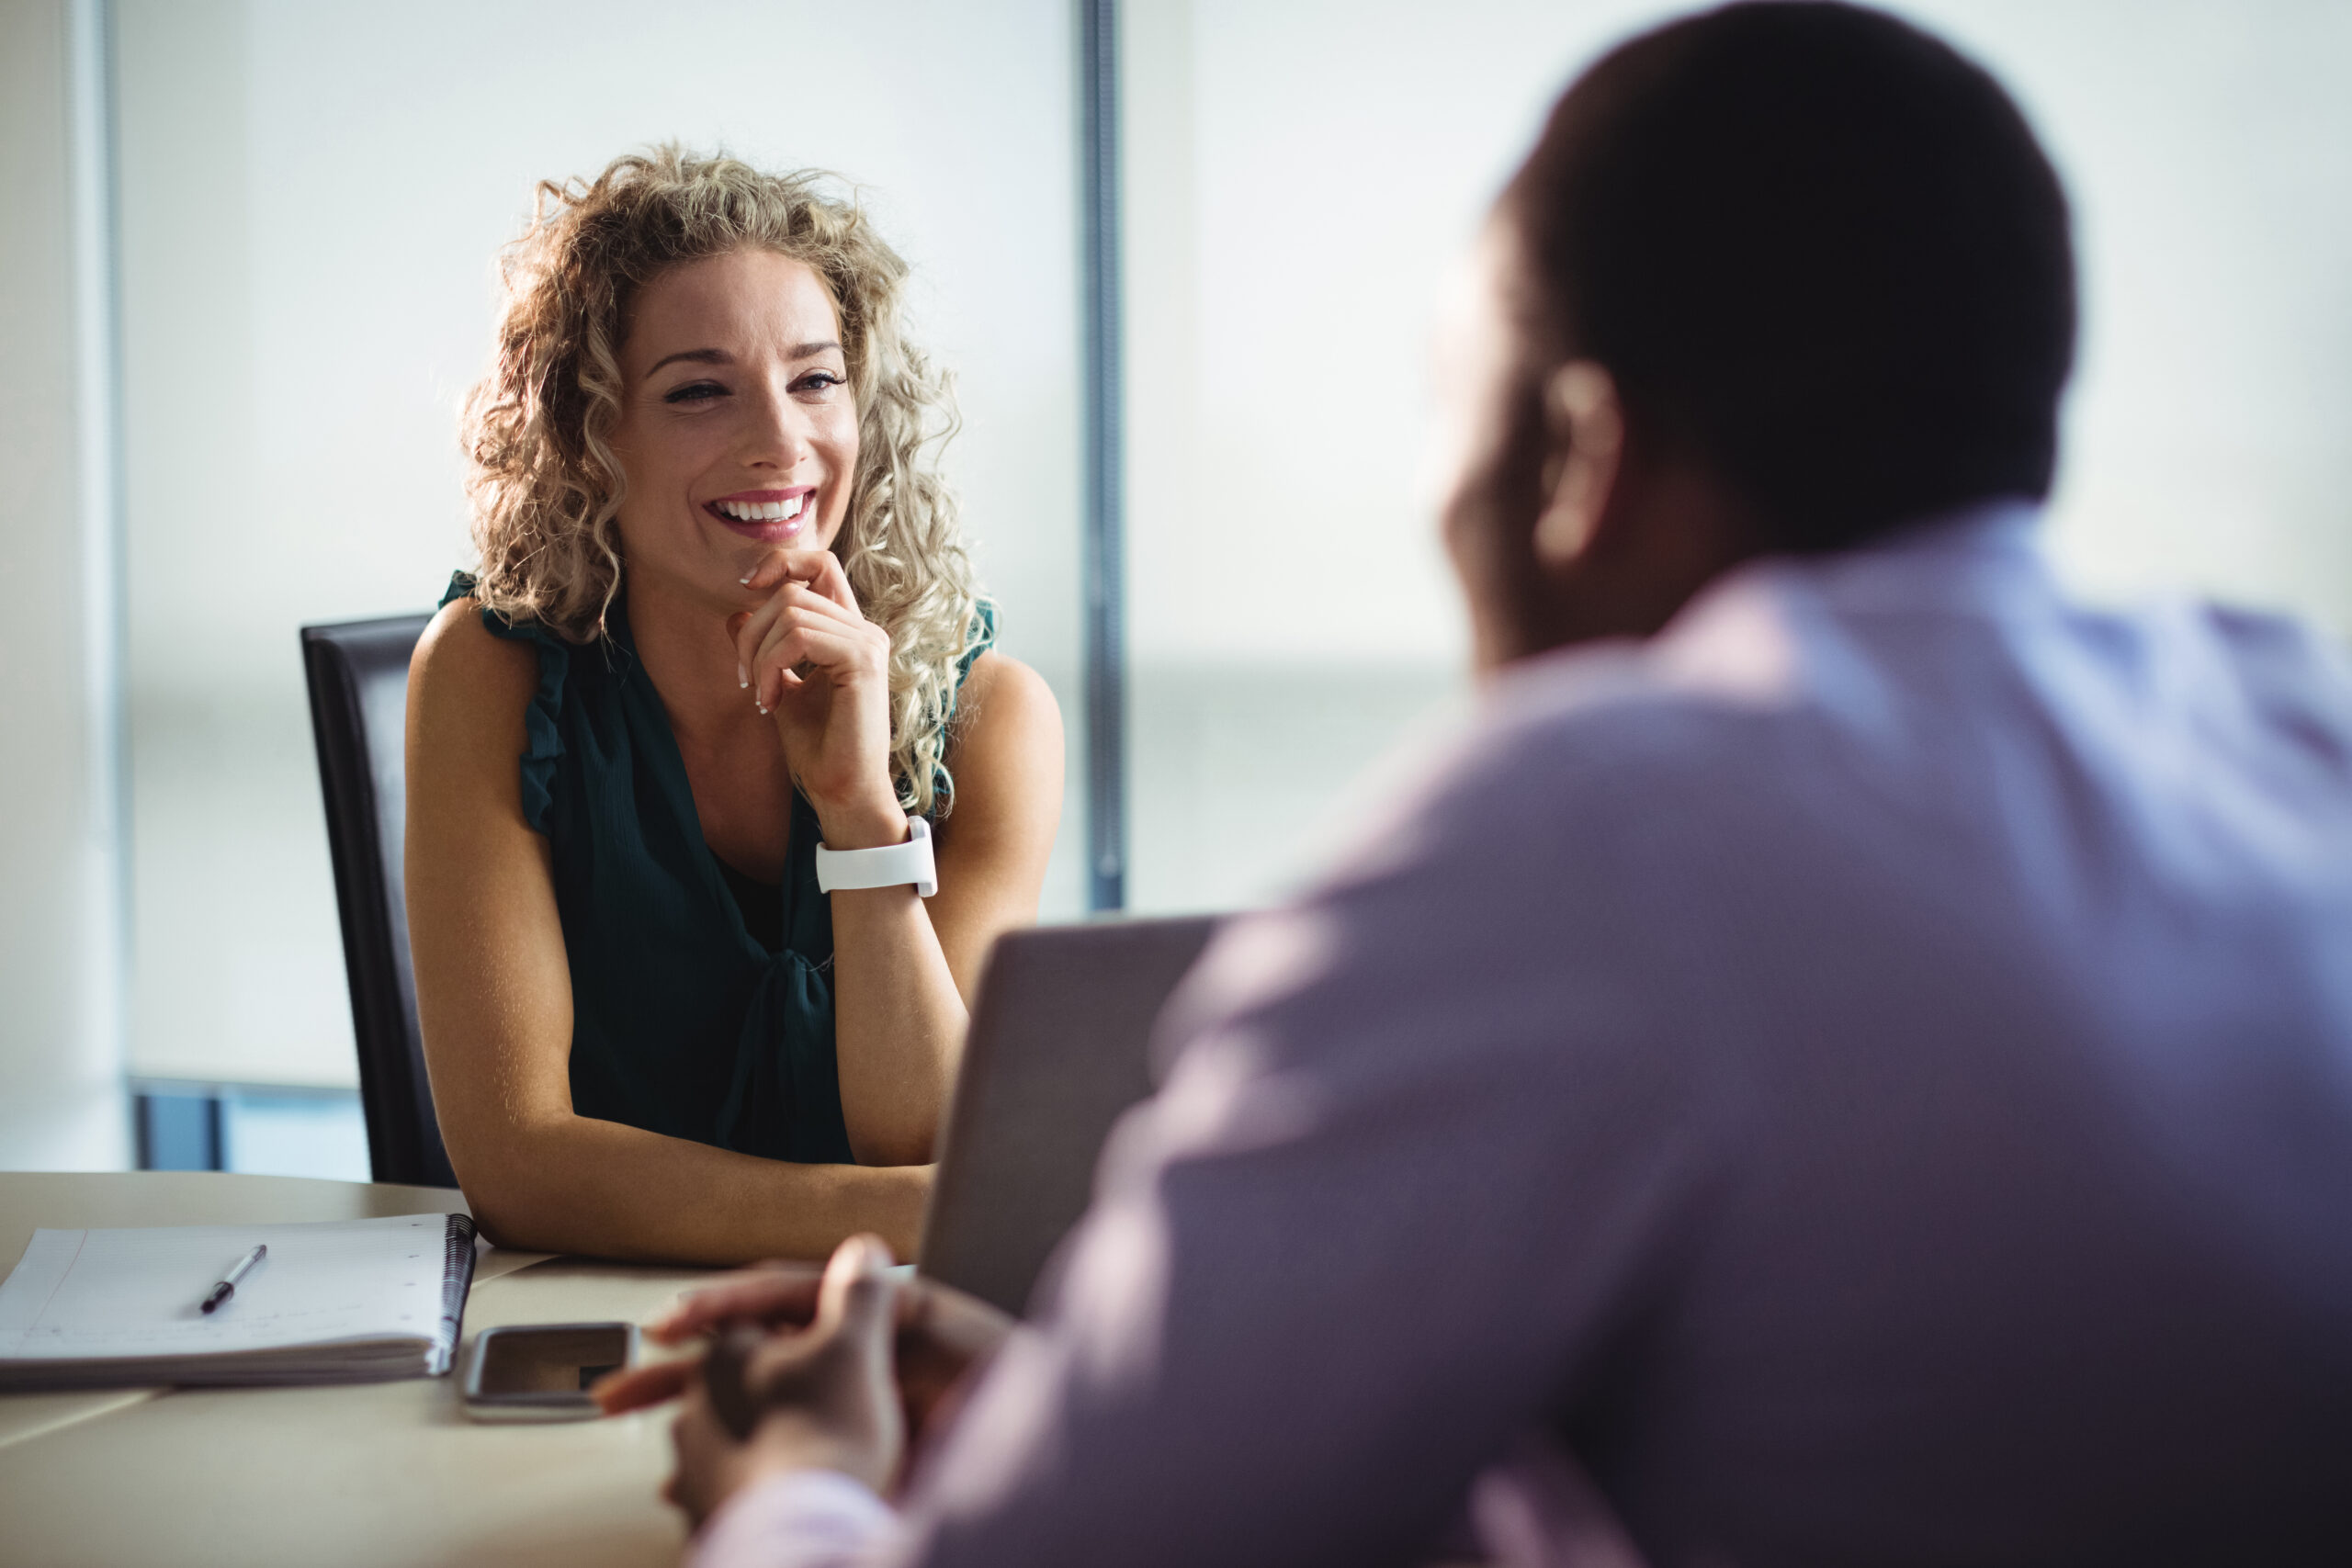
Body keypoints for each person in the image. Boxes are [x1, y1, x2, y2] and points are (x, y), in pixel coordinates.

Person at [601, 5, 2352, 1563]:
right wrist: (1110, 1396)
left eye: (1451, 412)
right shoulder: (2294, 738)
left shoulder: (1589, 820)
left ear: (1574, 453)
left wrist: (805, 1482)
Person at [405, 149, 1064, 1265]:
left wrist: (860, 813)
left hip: (878, 1343)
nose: (779, 441)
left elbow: (931, 1131)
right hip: (578, 1324)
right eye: (699, 390)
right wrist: (916, 1215)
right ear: (590, 434)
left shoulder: (989, 720)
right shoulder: (488, 674)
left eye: (814, 380)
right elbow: (519, 1163)